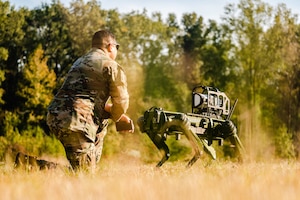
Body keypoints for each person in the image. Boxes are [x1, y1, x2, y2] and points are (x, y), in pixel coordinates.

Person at [46, 30, 133, 172]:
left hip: (56, 115)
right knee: (84, 174)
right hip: (77, 120)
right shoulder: (111, 65)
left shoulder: (79, 62)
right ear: (111, 46)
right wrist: (118, 117)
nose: (116, 51)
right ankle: (28, 165)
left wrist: (112, 113)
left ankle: (88, 163)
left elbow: (85, 98)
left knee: (82, 169)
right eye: (117, 47)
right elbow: (121, 102)